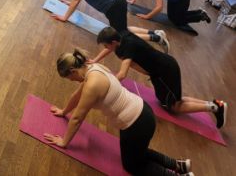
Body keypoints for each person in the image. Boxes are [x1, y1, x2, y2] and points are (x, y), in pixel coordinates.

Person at [43, 49, 194, 175]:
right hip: (141, 112)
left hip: (136, 123)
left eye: (70, 78)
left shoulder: (92, 83)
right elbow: (76, 96)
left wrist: (64, 142)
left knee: (132, 166)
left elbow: (77, 118)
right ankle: (179, 165)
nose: (72, 81)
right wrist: (63, 111)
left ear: (72, 71)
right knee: (138, 153)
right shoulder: (93, 68)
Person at [93, 27, 227, 128]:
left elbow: (122, 74)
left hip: (165, 71)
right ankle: (215, 104)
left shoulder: (128, 47)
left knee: (174, 107)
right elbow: (109, 49)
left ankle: (215, 107)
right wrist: (95, 60)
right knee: (173, 100)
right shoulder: (121, 36)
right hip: (161, 70)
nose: (105, 48)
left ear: (114, 42)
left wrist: (106, 86)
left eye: (106, 45)